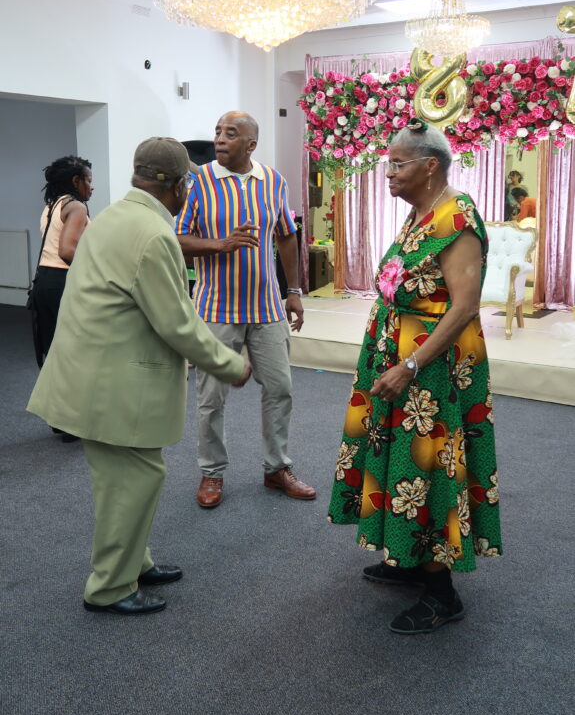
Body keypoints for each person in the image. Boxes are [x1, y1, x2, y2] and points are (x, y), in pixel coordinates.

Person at [27, 138, 250, 616]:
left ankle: (134, 561)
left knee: (133, 477)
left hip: (92, 373)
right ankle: (109, 588)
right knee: (131, 482)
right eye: (191, 180)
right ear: (180, 185)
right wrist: (232, 364)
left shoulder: (111, 215)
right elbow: (177, 323)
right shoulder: (153, 234)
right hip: (110, 383)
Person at [328, 119, 502, 635]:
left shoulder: (457, 216)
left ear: (430, 166)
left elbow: (465, 306)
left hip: (430, 372)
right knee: (395, 458)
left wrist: (410, 365)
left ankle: (441, 591)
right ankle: (405, 554)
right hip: (399, 361)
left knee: (426, 470)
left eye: (397, 164)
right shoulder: (421, 212)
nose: (388, 173)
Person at [175, 110, 316, 508]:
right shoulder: (199, 180)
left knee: (280, 389)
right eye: (217, 131)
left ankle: (276, 468)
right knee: (211, 397)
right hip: (216, 309)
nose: (219, 138)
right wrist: (220, 244)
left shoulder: (273, 181)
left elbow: (287, 236)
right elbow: (178, 238)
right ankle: (212, 473)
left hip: (267, 307)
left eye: (230, 133)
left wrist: (293, 290)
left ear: (251, 144)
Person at [31, 155, 93, 442]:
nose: (91, 186)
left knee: (56, 351)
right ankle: (70, 422)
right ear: (75, 181)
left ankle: (60, 419)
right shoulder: (77, 206)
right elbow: (68, 251)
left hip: (45, 280)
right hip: (64, 282)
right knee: (73, 353)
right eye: (89, 180)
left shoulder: (52, 205)